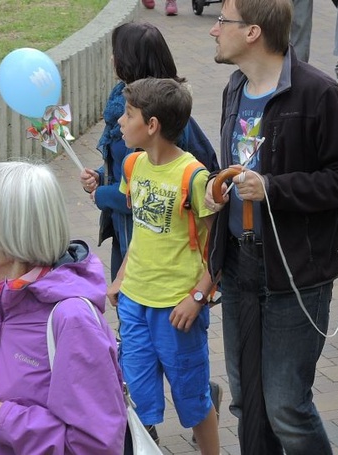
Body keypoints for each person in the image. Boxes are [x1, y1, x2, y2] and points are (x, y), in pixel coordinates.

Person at [206, 0, 338, 454]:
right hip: (240, 267)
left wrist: (274, 188)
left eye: (223, 20)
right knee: (247, 404)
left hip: (296, 272)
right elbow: (240, 168)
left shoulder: (319, 93)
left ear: (253, 31)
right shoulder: (234, 88)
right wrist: (215, 192)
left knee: (286, 407)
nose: (214, 29)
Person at [0, 161, 127, 454]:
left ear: (12, 227)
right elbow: (9, 396)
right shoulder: (2, 299)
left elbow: (95, 445)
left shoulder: (71, 319)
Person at [106, 77, 220, 454]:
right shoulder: (132, 165)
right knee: (135, 396)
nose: (120, 122)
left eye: (129, 114)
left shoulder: (195, 176)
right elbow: (141, 230)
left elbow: (218, 246)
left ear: (151, 125)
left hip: (177, 308)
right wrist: (120, 279)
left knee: (193, 399)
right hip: (134, 303)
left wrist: (198, 297)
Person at [80, 21, 219, 282]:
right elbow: (126, 168)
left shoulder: (145, 120)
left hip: (150, 241)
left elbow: (149, 190)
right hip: (129, 237)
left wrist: (102, 195)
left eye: (117, 52)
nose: (112, 58)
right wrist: (101, 175)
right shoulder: (152, 104)